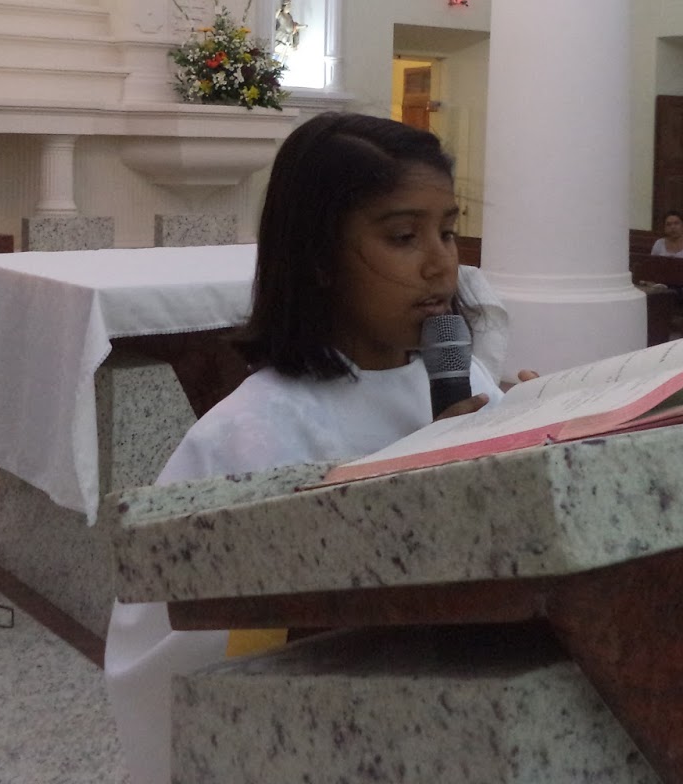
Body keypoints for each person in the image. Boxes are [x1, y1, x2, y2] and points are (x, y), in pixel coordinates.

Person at [104, 112, 519, 784]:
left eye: (447, 231)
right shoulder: (249, 435)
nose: (441, 262)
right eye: (403, 236)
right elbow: (165, 654)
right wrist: (410, 508)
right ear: (320, 258)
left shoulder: (464, 380)